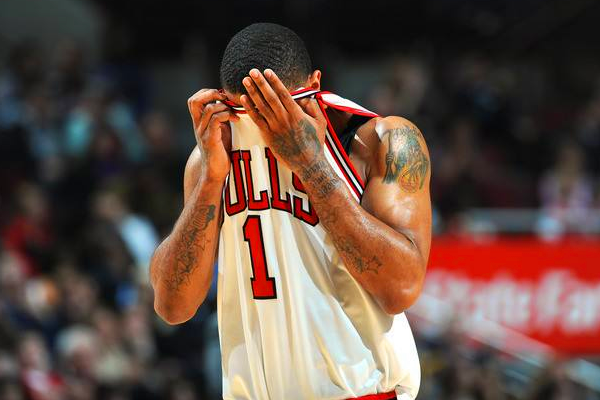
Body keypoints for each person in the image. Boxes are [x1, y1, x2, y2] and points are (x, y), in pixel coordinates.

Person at [149, 23, 431, 400]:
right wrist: (211, 180)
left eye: (279, 106)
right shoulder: (210, 160)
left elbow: (401, 289)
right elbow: (172, 307)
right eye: (247, 111)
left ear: (315, 85)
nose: (265, 127)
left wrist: (310, 164)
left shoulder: (383, 140)